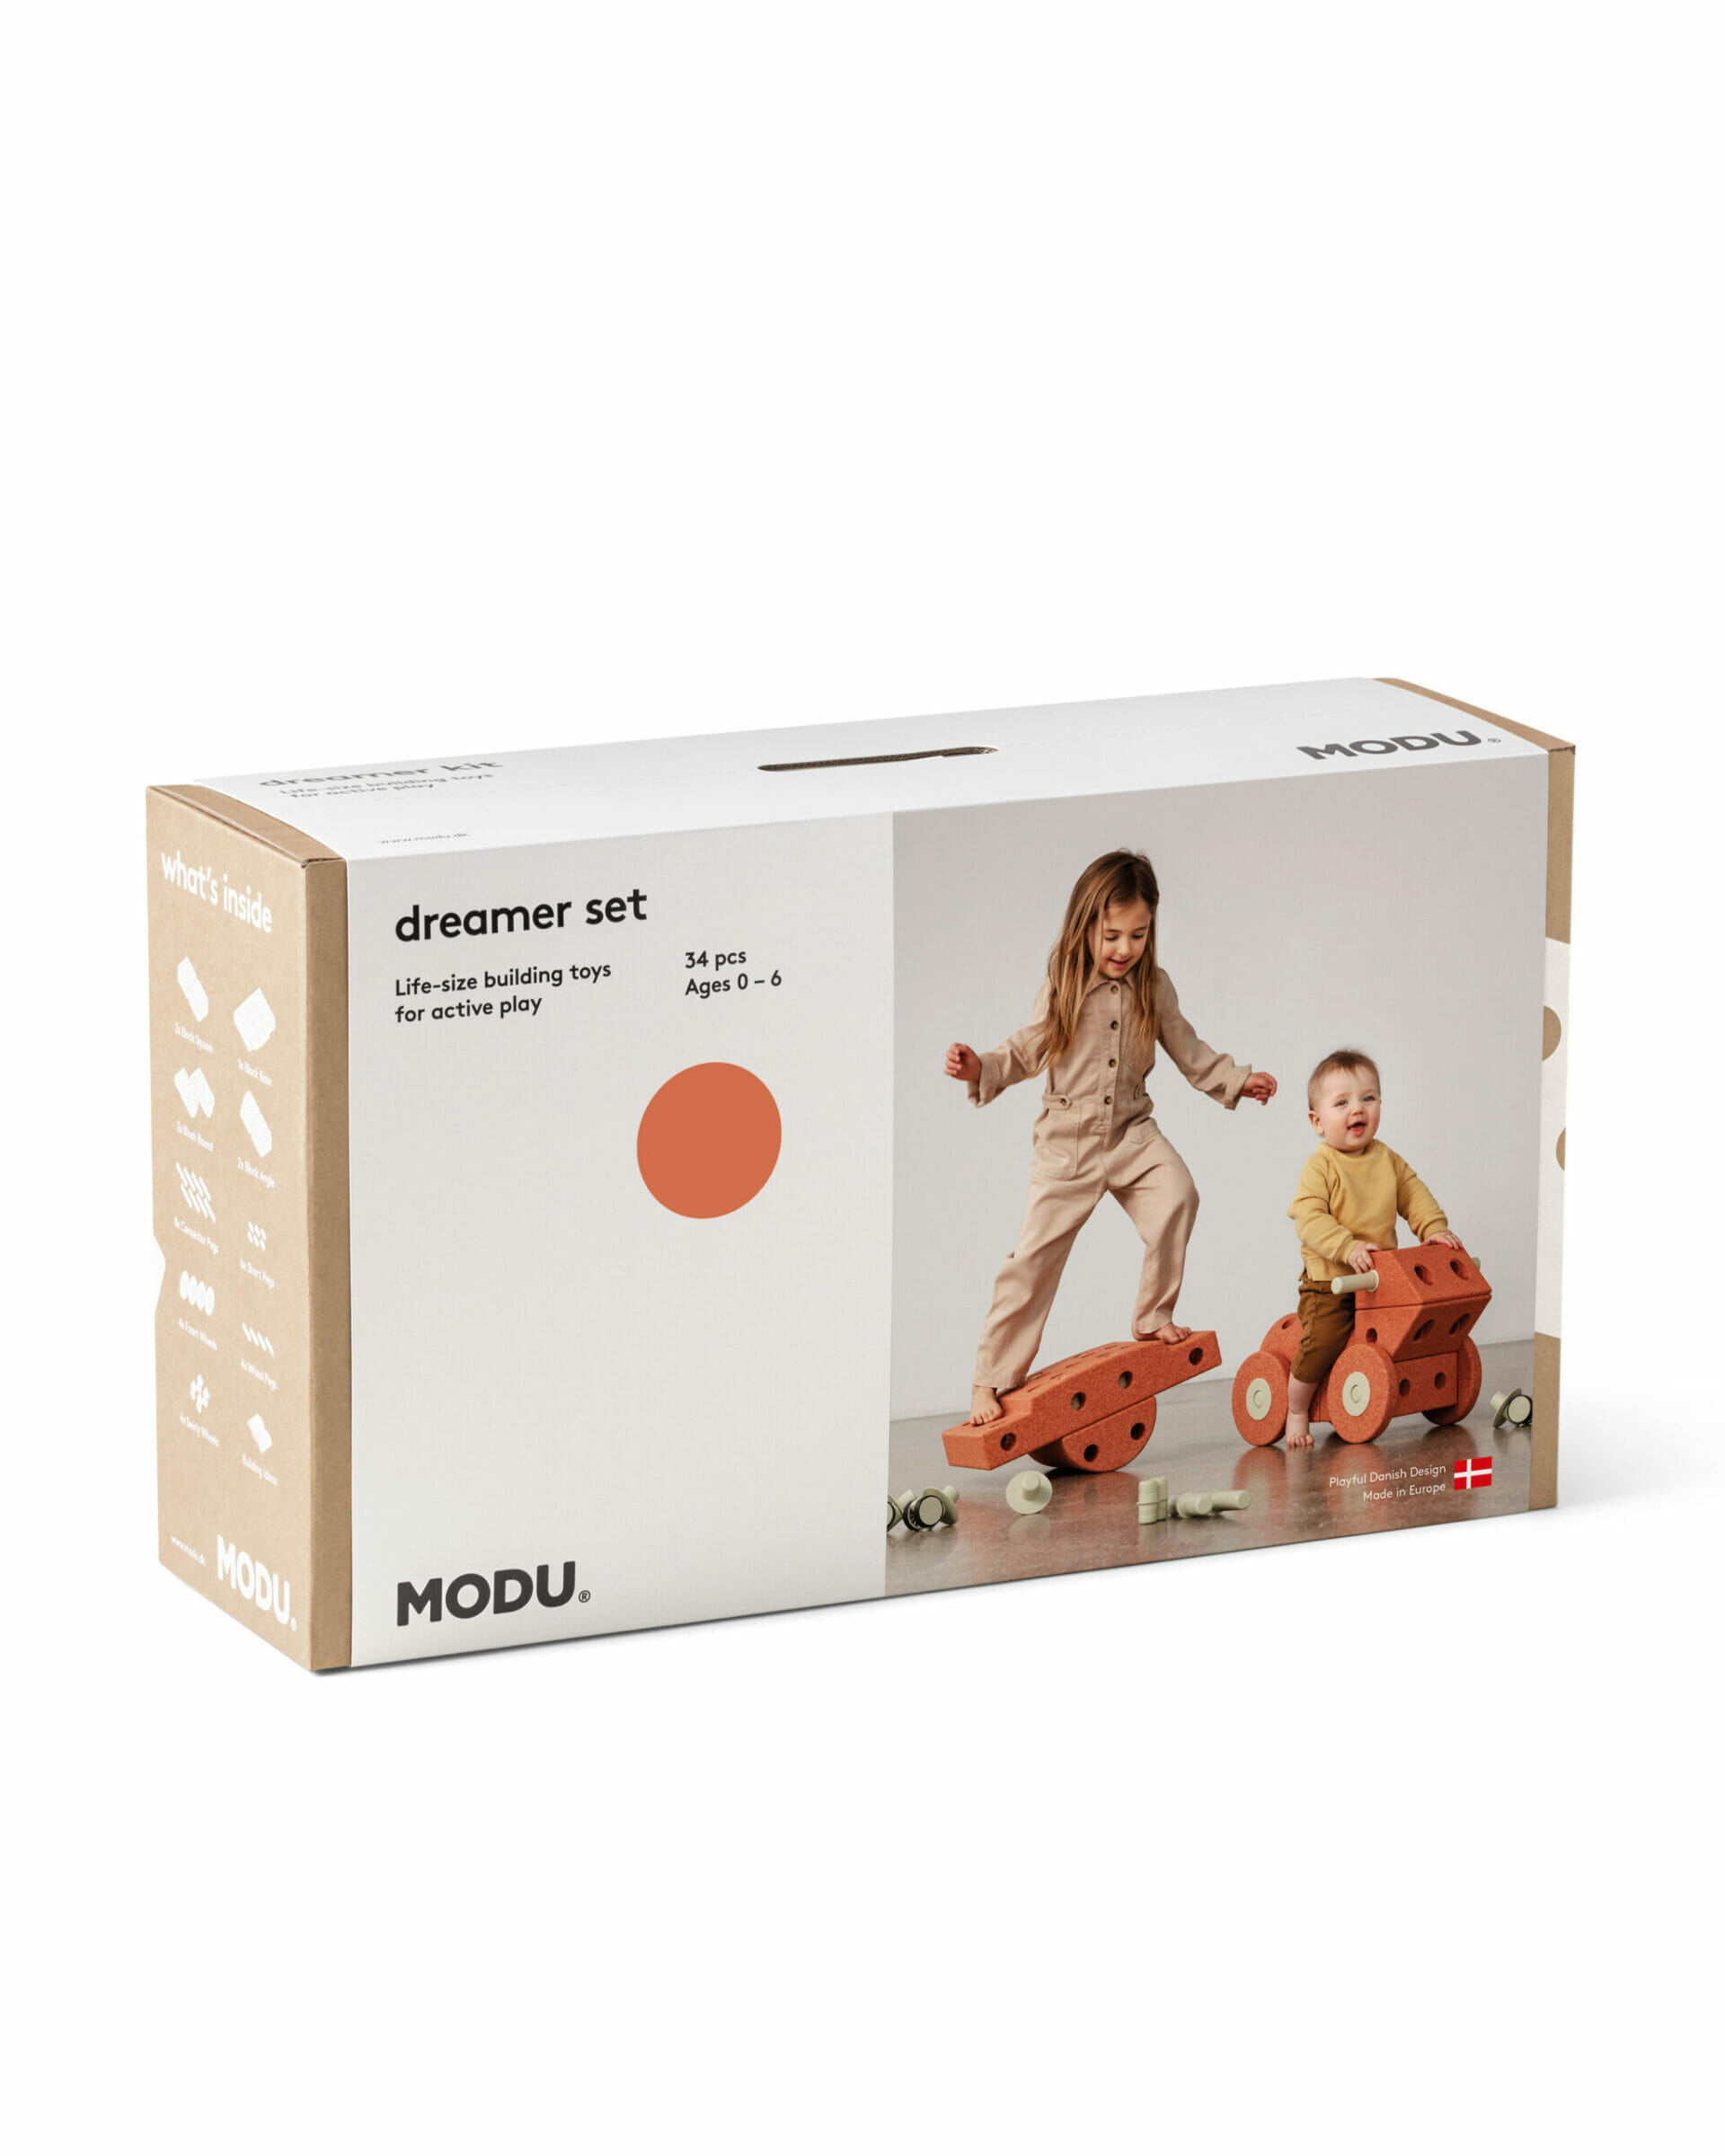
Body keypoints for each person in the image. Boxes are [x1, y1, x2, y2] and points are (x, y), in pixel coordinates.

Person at [945, 848, 1277, 1425]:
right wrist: (982, 1067)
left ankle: (1152, 1315)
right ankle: (988, 1380)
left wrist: (1235, 1080)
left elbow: (1189, 1048)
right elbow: (1026, 1047)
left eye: (1138, 936)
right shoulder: (1065, 982)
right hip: (1067, 1144)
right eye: (1112, 935)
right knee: (1032, 1262)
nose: (1125, 949)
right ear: (1086, 926)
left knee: (1178, 1195)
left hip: (1131, 1133)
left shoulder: (1155, 987)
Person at [1284, 1048, 1465, 1447]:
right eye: (1342, 1102)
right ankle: (1296, 1409)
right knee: (1324, 1341)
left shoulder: (1387, 1159)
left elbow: (1414, 1194)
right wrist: (1346, 1247)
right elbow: (1308, 1218)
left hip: (1381, 1281)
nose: (1357, 1109)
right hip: (1332, 1283)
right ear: (1317, 1121)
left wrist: (1434, 1229)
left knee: (1412, 1327)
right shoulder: (1321, 1166)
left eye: (1368, 1098)